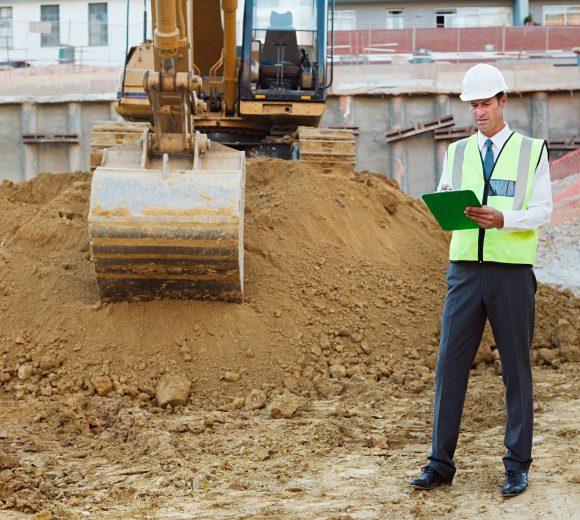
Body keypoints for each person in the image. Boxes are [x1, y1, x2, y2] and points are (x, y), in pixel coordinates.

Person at [409, 63, 552, 497]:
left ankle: (516, 465)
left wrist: (504, 218)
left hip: (511, 274)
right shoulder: (456, 153)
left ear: (503, 101)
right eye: (473, 106)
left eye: (486, 104)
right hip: (464, 273)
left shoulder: (532, 150)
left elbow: (544, 209)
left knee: (515, 370)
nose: (479, 113)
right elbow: (446, 197)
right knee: (450, 367)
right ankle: (439, 464)